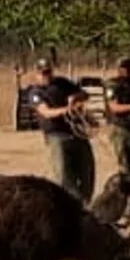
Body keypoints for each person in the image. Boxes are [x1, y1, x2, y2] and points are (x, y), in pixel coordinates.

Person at [30, 59, 95, 201]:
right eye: (43, 73)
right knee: (64, 176)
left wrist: (76, 97)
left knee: (87, 171)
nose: (46, 75)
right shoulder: (36, 92)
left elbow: (84, 94)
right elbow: (46, 112)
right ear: (37, 74)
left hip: (77, 133)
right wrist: (67, 110)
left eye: (48, 72)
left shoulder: (63, 83)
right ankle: (72, 205)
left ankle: (85, 202)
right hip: (56, 136)